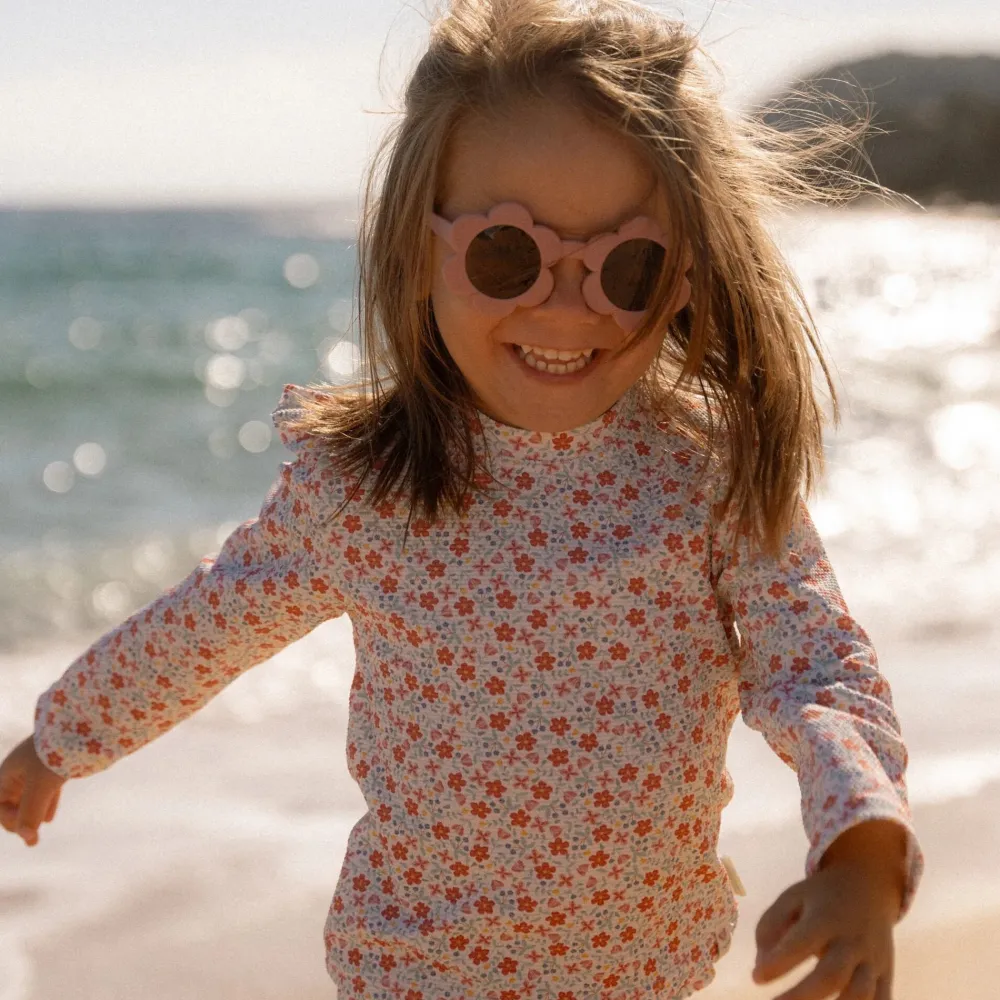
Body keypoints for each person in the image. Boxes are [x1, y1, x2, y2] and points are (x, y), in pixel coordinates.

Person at [0, 1, 924, 998]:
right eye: (506, 255)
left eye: (627, 266)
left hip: (645, 973)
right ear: (415, 250)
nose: (565, 307)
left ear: (685, 272)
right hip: (415, 971)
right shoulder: (363, 490)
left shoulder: (709, 480)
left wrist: (860, 846)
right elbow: (205, 625)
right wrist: (62, 737)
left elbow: (816, 667)